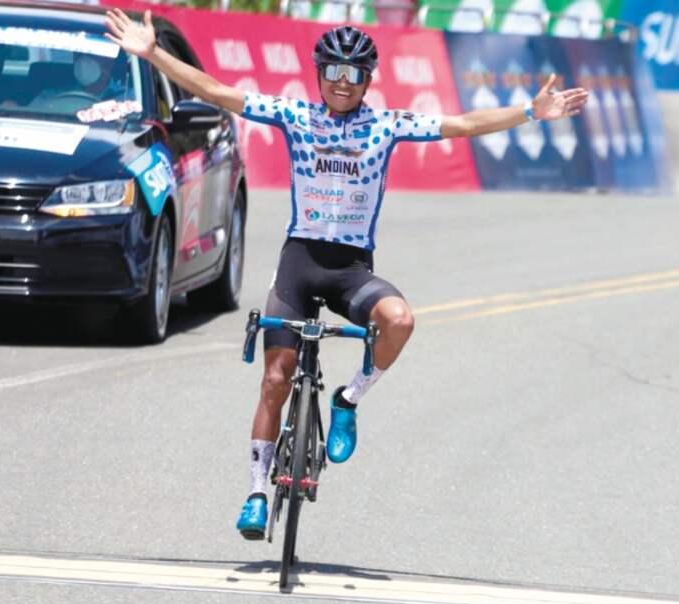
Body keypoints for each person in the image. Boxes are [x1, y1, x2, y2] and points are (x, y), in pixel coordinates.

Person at [104, 9, 588, 540]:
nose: (341, 81)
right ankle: (257, 492)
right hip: (299, 264)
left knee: (399, 320)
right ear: (318, 74)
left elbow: (463, 124)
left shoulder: (385, 127)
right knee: (274, 380)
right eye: (332, 70)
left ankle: (347, 400)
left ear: (367, 82)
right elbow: (219, 92)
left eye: (353, 74)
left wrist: (531, 112)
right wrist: (153, 54)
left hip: (351, 270)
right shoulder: (295, 116)